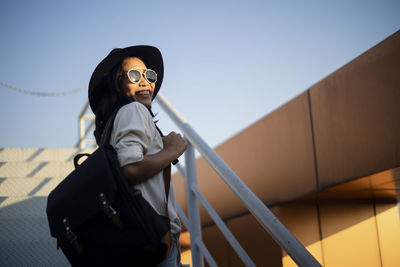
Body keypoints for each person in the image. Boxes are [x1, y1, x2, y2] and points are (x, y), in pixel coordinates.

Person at [88, 45, 187, 266]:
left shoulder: (115, 122)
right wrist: (173, 150)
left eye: (148, 74)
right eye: (134, 75)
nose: (145, 81)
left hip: (134, 238)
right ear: (117, 83)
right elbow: (130, 168)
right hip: (152, 235)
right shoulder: (134, 111)